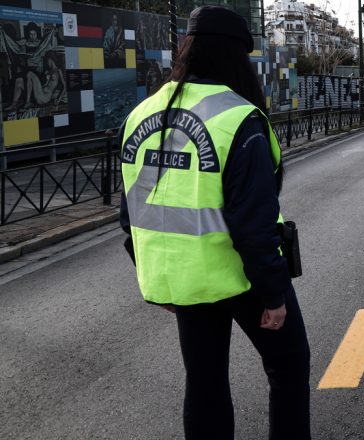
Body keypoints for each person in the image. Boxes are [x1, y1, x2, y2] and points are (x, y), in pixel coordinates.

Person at [118, 6, 310, 439]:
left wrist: (159, 280)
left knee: (204, 382)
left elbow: (130, 214)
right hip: (241, 278)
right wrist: (274, 294)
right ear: (236, 57)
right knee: (289, 366)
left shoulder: (139, 115)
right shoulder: (238, 117)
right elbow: (254, 224)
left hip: (185, 281)